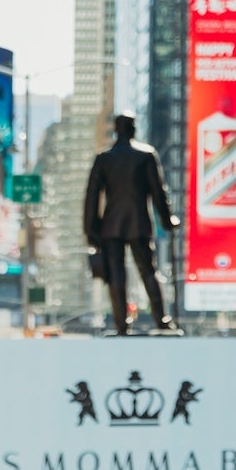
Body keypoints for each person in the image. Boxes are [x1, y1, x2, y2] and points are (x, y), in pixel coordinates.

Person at [83, 114, 178, 335]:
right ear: (132, 128)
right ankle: (162, 321)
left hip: (112, 225)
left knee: (117, 275)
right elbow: (158, 192)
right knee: (148, 271)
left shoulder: (105, 158)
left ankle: (121, 325)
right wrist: (167, 219)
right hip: (138, 223)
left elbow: (91, 197)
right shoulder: (145, 156)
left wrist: (91, 229)